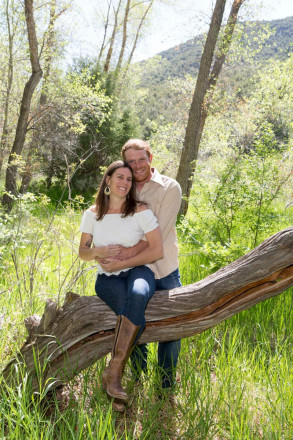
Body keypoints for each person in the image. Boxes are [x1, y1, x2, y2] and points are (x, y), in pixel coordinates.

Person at [79, 160, 163, 412]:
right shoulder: (92, 213)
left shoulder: (140, 211)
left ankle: (113, 373)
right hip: (106, 280)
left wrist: (124, 261)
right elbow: (82, 253)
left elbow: (156, 250)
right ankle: (119, 381)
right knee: (135, 318)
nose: (125, 182)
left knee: (138, 294)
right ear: (107, 179)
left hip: (138, 271)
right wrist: (98, 252)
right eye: (120, 177)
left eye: (129, 179)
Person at [116, 139, 182, 393]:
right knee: (133, 321)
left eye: (141, 159)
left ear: (150, 158)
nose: (137, 165)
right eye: (131, 162)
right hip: (132, 270)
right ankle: (138, 378)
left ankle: (165, 387)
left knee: (171, 328)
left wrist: (127, 252)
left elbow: (160, 232)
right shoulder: (124, 186)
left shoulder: (169, 188)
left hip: (163, 268)